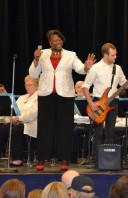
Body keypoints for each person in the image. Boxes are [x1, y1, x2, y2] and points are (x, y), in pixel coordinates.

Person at [28, 29, 96, 171]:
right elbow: (33, 73)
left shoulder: (71, 55)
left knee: (65, 128)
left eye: (60, 40)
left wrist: (86, 67)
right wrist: (35, 59)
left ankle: (64, 159)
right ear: (49, 42)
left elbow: (79, 69)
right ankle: (41, 158)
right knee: (45, 127)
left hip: (65, 94)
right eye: (55, 41)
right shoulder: (43, 54)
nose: (58, 42)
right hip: (46, 94)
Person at [82, 42, 128, 160]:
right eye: (113, 55)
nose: (115, 57)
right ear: (105, 55)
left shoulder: (117, 68)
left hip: (113, 102)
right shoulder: (95, 68)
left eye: (115, 54)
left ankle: (107, 159)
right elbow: (85, 86)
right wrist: (91, 103)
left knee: (110, 131)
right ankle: (95, 158)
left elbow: (124, 85)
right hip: (98, 102)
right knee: (98, 132)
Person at [0, 75, 39, 166]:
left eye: (30, 85)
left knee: (16, 129)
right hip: (18, 122)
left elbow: (33, 114)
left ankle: (18, 159)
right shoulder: (22, 98)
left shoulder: (39, 97)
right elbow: (14, 111)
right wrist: (12, 119)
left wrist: (19, 118)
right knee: (2, 130)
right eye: (26, 85)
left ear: (37, 85)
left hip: (33, 124)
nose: (28, 87)